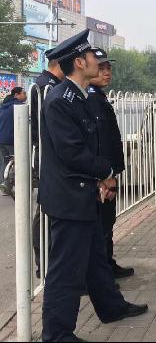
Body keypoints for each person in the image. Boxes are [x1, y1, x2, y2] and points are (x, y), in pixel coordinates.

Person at [38, 30, 148, 342]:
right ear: (78, 62)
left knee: (95, 257)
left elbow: (93, 144)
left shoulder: (81, 96)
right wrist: (106, 172)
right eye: (91, 57)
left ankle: (111, 307)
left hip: (83, 193)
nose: (97, 63)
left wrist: (102, 177)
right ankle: (56, 334)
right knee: (66, 270)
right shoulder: (60, 101)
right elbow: (72, 152)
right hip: (69, 198)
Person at [87, 48, 134, 281]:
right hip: (101, 177)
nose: (106, 73)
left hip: (107, 173)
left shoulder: (99, 97)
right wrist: (106, 176)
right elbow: (99, 144)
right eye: (101, 68)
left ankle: (107, 264)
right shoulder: (91, 100)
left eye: (108, 68)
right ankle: (101, 274)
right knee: (101, 225)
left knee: (107, 223)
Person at [31, 51, 65, 278]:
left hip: (48, 155)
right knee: (45, 210)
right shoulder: (45, 87)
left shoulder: (50, 85)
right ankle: (43, 262)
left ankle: (48, 260)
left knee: (49, 209)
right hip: (46, 156)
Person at [0, 87, 27, 194]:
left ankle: (3, 185)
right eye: (23, 93)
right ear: (16, 95)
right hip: (11, 140)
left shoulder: (3, 106)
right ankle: (10, 184)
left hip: (1, 139)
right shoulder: (18, 106)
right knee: (16, 163)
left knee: (4, 162)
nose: (25, 95)